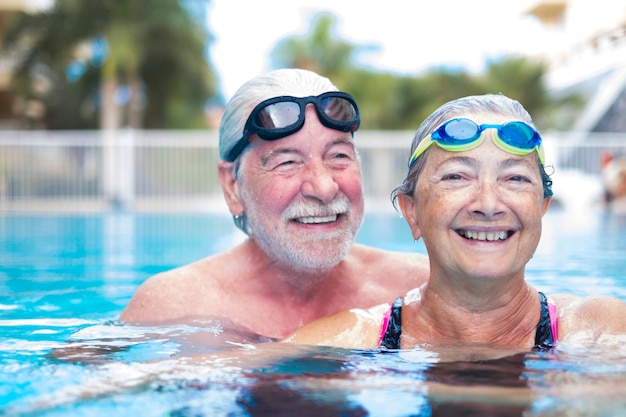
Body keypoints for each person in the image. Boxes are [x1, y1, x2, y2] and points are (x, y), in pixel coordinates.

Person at [284, 93, 626, 353]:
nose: (489, 205)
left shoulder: (604, 333)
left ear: (542, 208)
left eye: (516, 179)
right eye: (457, 176)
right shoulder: (342, 342)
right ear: (411, 212)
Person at [119, 68, 429, 340]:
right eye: (287, 162)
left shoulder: (423, 289)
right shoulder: (171, 309)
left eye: (339, 156)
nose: (323, 187)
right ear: (232, 186)